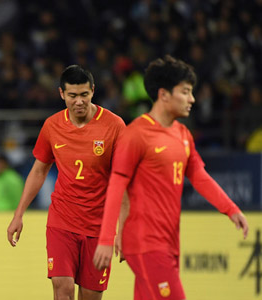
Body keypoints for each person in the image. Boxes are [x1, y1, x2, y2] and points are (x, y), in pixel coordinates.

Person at [93, 55, 249, 300]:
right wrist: (106, 239)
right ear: (164, 95)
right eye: (185, 92)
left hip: (169, 243)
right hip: (145, 243)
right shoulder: (136, 134)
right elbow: (116, 186)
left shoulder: (183, 134)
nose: (192, 99)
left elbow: (199, 176)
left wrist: (231, 209)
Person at [7, 65, 126, 300]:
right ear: (61, 94)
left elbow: (122, 181)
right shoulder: (52, 126)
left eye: (84, 94)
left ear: (93, 91)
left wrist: (123, 229)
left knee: (90, 296)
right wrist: (18, 214)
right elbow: (39, 171)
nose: (79, 101)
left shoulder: (114, 126)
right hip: (62, 221)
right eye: (72, 96)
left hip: (99, 227)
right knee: (63, 289)